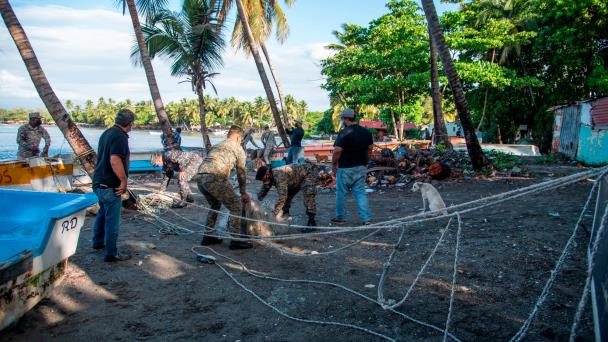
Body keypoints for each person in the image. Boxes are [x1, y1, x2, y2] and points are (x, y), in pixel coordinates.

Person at [196, 125, 252, 250]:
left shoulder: (217, 145)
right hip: (216, 177)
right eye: (241, 139)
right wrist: (243, 192)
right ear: (238, 137)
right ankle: (236, 240)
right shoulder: (238, 148)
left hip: (200, 177)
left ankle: (207, 236)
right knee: (236, 206)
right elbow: (241, 172)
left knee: (215, 205)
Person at [91, 109, 135, 262]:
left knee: (103, 213)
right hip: (110, 185)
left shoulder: (107, 133)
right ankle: (111, 253)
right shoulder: (120, 137)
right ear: (129, 124)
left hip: (98, 182)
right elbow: (115, 160)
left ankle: (97, 242)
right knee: (112, 221)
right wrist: (123, 181)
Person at [331, 108, 373, 225]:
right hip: (360, 167)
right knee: (360, 192)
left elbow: (337, 151)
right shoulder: (366, 132)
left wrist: (334, 165)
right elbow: (370, 149)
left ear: (345, 119)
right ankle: (366, 218)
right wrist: (366, 162)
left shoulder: (344, 132)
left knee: (341, 193)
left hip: (345, 168)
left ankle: (340, 217)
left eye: (342, 118)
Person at [255, 162, 326, 227]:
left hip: (308, 173)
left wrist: (273, 215)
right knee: (288, 196)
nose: (262, 180)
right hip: (294, 179)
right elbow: (264, 190)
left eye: (262, 178)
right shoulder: (268, 177)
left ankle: (311, 221)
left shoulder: (279, 176)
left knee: (308, 195)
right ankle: (286, 215)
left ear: (267, 174)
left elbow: (282, 197)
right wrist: (255, 201)